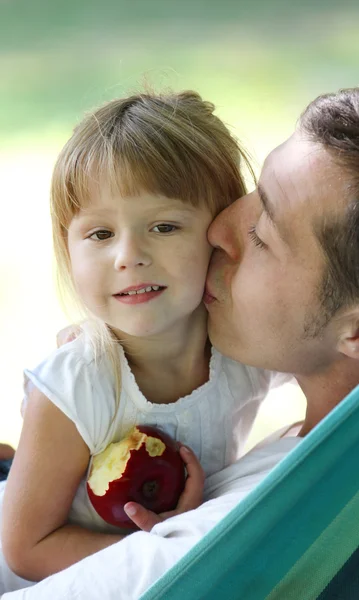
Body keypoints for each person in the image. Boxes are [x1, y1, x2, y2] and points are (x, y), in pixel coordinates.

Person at [3, 84, 359, 600]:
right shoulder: (335, 410)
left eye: (263, 231)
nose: (219, 230)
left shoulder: (202, 547)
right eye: (250, 195)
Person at [0, 90, 282, 593]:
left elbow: (340, 362)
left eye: (164, 226)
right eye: (100, 234)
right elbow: (26, 548)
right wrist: (166, 547)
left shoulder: (245, 348)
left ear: (220, 235)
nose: (128, 256)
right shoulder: (79, 381)